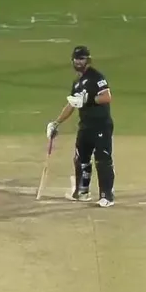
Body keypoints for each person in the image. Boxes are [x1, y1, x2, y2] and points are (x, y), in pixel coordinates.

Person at [46, 45, 115, 207]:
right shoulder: (77, 82)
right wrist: (56, 123)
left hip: (101, 125)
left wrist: (88, 100)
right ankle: (82, 192)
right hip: (85, 125)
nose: (78, 62)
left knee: (102, 159)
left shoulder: (96, 77)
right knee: (81, 159)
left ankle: (107, 196)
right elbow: (71, 104)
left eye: (82, 59)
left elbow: (107, 97)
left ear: (88, 60)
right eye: (76, 59)